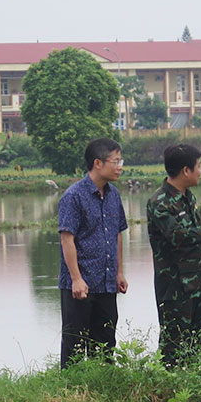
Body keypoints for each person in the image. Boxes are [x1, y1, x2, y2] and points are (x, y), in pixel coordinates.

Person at [145, 143, 201, 368]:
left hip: (198, 283)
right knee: (173, 346)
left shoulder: (188, 197)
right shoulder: (159, 202)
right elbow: (176, 236)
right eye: (199, 166)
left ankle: (197, 389)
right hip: (174, 288)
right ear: (185, 171)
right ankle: (169, 395)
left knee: (198, 344)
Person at [57, 137, 129, 367]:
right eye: (115, 161)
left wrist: (119, 272)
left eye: (120, 161)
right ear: (98, 163)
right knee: (75, 344)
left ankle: (102, 392)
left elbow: (117, 233)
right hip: (80, 285)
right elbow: (67, 238)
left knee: (105, 343)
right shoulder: (73, 196)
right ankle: (71, 394)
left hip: (107, 282)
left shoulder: (113, 194)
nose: (120, 167)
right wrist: (76, 278)